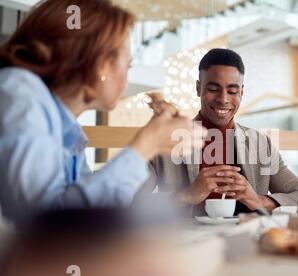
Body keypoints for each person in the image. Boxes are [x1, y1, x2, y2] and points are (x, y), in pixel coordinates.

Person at [0, 0, 204, 224]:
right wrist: (145, 146)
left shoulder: (68, 129)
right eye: (128, 65)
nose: (127, 78)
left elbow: (84, 217)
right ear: (101, 66)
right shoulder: (19, 93)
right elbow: (44, 223)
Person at [141, 48, 298, 216]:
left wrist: (258, 200)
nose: (223, 99)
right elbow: (127, 203)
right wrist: (185, 195)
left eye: (232, 91)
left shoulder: (260, 144)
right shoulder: (165, 141)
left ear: (242, 92)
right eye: (213, 89)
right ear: (198, 88)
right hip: (182, 244)